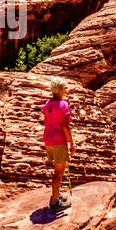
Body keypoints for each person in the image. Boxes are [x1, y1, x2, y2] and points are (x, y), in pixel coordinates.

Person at [42, 81, 74, 213]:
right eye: (65, 88)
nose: (65, 90)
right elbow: (65, 126)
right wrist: (72, 143)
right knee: (58, 173)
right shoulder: (63, 104)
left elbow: (47, 120)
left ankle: (56, 194)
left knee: (57, 172)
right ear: (61, 90)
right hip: (58, 140)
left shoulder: (47, 104)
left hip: (48, 138)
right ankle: (55, 202)